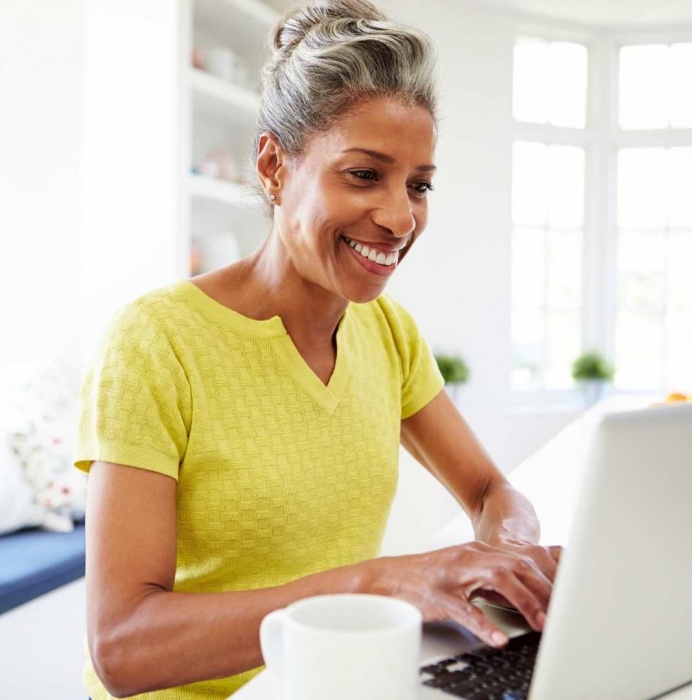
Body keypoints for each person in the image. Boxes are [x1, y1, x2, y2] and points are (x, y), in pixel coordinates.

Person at [74, 1, 561, 698]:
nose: (400, 218)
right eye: (364, 174)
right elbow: (122, 647)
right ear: (274, 165)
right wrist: (381, 582)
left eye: (419, 184)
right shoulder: (156, 342)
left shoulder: (387, 333)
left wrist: (508, 555)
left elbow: (489, 489)